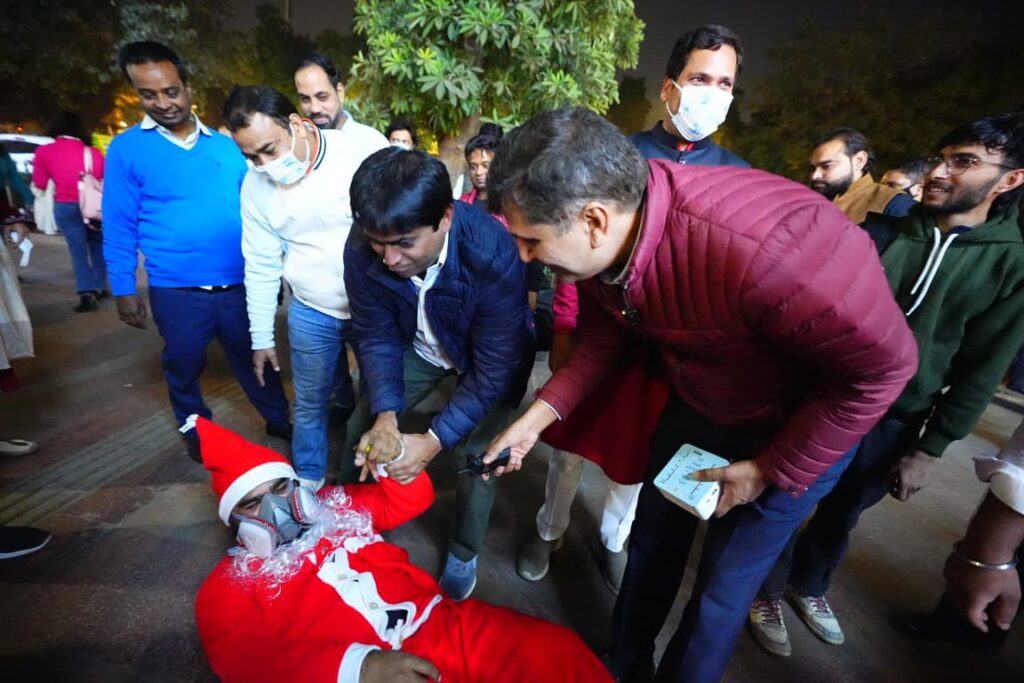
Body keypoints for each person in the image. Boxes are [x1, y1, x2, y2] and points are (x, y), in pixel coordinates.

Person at [483, 106, 917, 683]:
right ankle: (624, 663)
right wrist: (536, 418)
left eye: (530, 240)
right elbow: (602, 342)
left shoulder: (768, 249)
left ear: (593, 220)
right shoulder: (606, 247)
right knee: (652, 547)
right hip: (699, 406)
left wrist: (769, 469)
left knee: (719, 590)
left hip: (795, 433)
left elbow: (884, 369)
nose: (523, 257)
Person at [750, 112, 1024, 658]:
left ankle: (809, 585)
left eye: (964, 161)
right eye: (942, 158)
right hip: (828, 399)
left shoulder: (1010, 263)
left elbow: (981, 368)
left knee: (845, 510)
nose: (939, 172)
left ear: (1011, 179)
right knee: (789, 497)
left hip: (897, 419)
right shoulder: (890, 229)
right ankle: (765, 591)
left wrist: (930, 448)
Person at [516, 24, 751, 592]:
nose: (712, 94)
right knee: (569, 445)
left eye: (724, 84)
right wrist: (565, 326)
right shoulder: (620, 158)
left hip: (670, 356)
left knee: (639, 458)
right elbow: (573, 249)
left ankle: (613, 539)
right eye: (700, 79)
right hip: (599, 334)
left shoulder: (738, 176)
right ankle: (550, 529)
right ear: (670, 88)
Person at [192, 416, 611, 683]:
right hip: (346, 665)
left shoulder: (336, 505)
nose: (277, 507)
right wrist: (357, 668)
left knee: (554, 653)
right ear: (234, 520)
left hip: (442, 625)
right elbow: (242, 660)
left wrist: (392, 461)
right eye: (253, 503)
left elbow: (410, 501)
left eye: (282, 487)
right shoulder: (226, 587)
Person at [342, 147, 535, 601]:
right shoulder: (363, 245)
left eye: (405, 243)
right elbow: (376, 336)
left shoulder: (492, 250)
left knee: (477, 455)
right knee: (360, 425)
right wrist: (386, 416)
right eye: (379, 243)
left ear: (445, 217)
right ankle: (353, 525)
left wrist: (432, 441)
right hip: (424, 346)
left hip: (488, 358)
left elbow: (492, 370)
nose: (389, 259)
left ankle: (464, 550)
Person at [102, 41, 290, 461]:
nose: (163, 103)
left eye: (171, 91)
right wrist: (123, 287)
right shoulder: (126, 150)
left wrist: (273, 274)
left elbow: (263, 211)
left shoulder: (228, 147)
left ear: (188, 87)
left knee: (258, 358)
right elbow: (119, 224)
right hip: (176, 291)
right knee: (183, 364)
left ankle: (279, 420)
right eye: (148, 94)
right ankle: (194, 426)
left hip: (239, 286)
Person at [222, 85, 388, 490]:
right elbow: (261, 265)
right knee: (310, 403)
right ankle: (308, 483)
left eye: (270, 149)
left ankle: (367, 479)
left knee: (378, 398)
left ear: (296, 124)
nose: (264, 165)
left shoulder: (359, 151)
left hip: (373, 307)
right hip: (311, 310)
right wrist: (262, 337)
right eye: (251, 156)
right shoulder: (255, 187)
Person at [32, 112, 108, 312]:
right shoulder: (93, 152)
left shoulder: (44, 151)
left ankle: (86, 293)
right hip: (93, 206)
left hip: (65, 206)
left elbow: (40, 183)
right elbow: (103, 180)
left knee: (77, 251)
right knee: (97, 246)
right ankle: (100, 286)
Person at [809, 127, 917, 223]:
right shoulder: (812, 205)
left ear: (859, 161)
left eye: (827, 166)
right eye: (813, 168)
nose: (815, 175)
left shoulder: (894, 203)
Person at [294, 52, 379, 137]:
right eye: (305, 99)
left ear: (339, 93)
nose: (314, 109)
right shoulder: (298, 141)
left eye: (322, 97)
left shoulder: (371, 141)